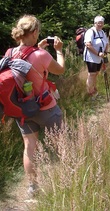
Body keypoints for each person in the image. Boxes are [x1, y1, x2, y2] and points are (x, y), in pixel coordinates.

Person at [6, 14, 65, 196]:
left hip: (23, 110)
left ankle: (33, 187)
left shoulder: (10, 53)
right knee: (59, 144)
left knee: (29, 147)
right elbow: (60, 70)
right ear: (34, 32)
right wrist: (60, 51)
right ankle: (64, 182)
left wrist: (37, 50)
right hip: (46, 109)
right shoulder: (41, 55)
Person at [83, 16, 109, 98]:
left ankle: (94, 90)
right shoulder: (90, 32)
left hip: (100, 57)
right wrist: (98, 53)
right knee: (91, 74)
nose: (100, 24)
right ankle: (90, 93)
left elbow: (107, 43)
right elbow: (88, 45)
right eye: (98, 23)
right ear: (94, 23)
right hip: (91, 57)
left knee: (96, 73)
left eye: (102, 23)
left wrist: (104, 52)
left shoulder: (102, 32)